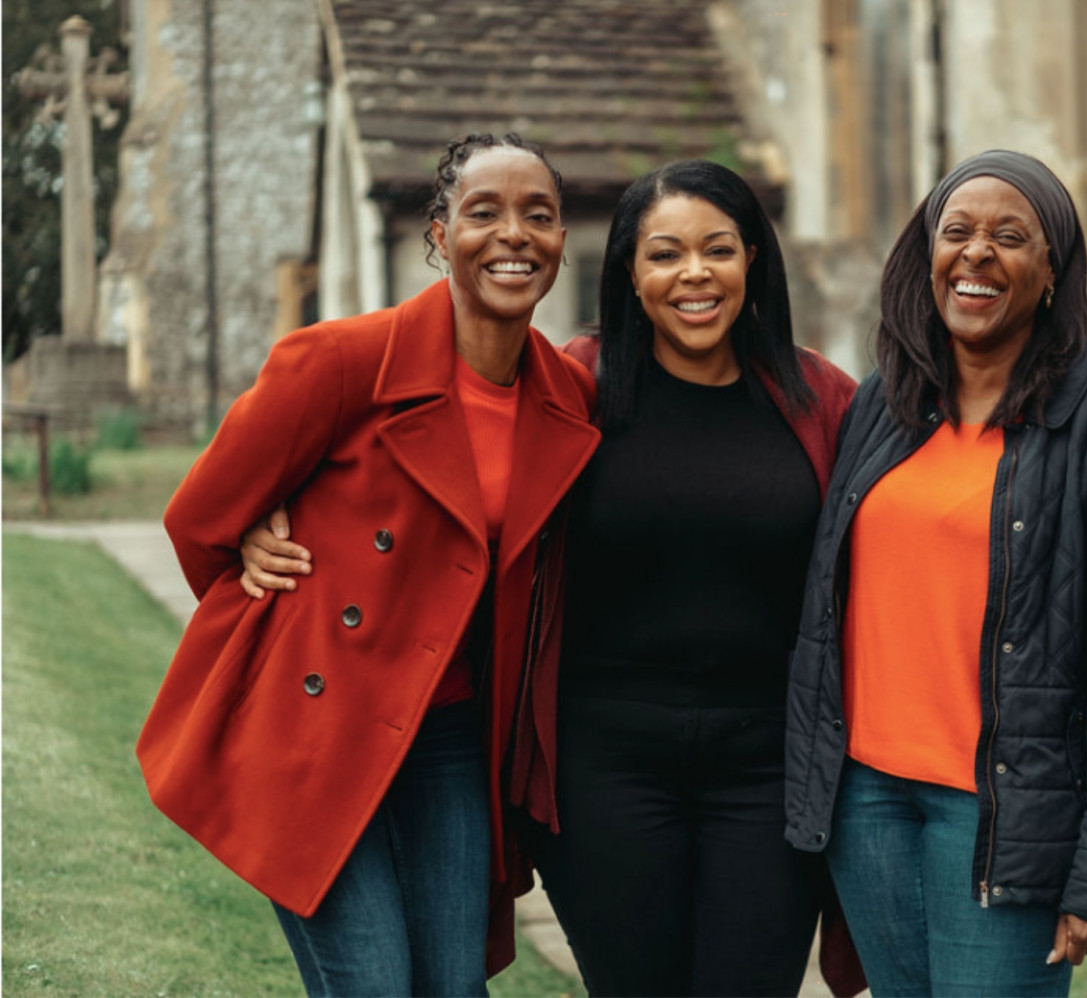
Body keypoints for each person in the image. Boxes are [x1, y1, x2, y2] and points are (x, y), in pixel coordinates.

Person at [240, 160, 865, 998]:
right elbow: (445, 473)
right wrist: (268, 516)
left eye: (717, 250)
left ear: (753, 259)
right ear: (628, 275)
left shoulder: (821, 400)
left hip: (769, 769)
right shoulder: (572, 386)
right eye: (664, 254)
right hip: (602, 767)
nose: (693, 275)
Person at [138, 132, 599, 997]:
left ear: (562, 241)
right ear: (439, 233)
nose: (514, 235)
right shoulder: (343, 362)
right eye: (484, 212)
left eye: (539, 215)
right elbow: (200, 519)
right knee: (374, 985)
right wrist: (259, 563)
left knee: (453, 986)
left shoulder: (566, 398)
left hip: (455, 740)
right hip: (320, 728)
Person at [783, 150, 1087, 997]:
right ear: (927, 258)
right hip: (867, 804)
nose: (976, 254)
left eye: (1010, 236)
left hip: (1001, 817)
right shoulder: (883, 406)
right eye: (957, 232)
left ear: (1051, 273)